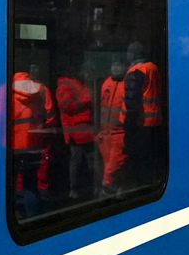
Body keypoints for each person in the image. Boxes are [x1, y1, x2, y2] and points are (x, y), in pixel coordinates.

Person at [8, 66, 55, 216]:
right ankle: (32, 215)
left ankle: (14, 212)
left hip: (12, 146)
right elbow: (49, 115)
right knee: (31, 184)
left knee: (9, 183)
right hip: (34, 144)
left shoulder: (6, 90)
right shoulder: (39, 90)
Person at [54, 60, 100, 204]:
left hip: (85, 128)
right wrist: (87, 101)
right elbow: (67, 106)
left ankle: (89, 188)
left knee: (86, 160)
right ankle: (76, 190)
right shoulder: (65, 85)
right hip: (77, 129)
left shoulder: (80, 85)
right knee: (80, 160)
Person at [123, 42, 165, 187]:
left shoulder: (136, 71)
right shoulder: (153, 68)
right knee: (151, 156)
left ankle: (142, 184)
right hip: (155, 119)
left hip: (141, 122)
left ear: (133, 54)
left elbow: (132, 100)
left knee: (140, 158)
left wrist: (129, 124)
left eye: (129, 53)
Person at [97, 55, 128, 190]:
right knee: (111, 168)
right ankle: (118, 191)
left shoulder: (127, 83)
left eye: (118, 65)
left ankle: (106, 192)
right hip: (105, 135)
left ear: (125, 67)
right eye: (113, 65)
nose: (115, 68)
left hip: (120, 134)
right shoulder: (106, 83)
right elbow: (100, 106)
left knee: (111, 170)